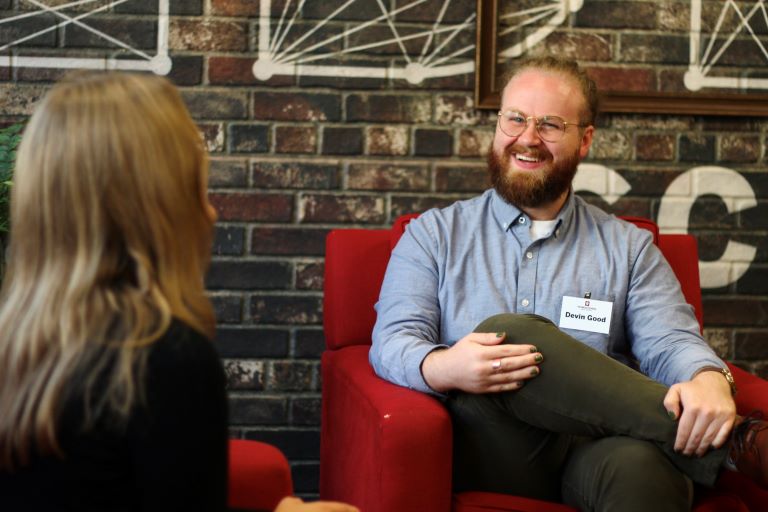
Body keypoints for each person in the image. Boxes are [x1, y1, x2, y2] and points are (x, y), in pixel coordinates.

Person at [370, 56, 767, 511]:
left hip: (595, 447)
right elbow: (392, 341)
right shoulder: (433, 235)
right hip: (493, 445)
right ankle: (738, 444)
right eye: (515, 119)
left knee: (644, 467)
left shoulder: (628, 247)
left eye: (551, 125)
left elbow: (671, 341)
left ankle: (724, 443)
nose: (527, 138)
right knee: (514, 333)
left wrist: (709, 379)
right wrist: (443, 367)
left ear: (585, 140)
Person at [0, 72, 357, 512]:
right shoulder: (162, 357)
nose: (210, 212)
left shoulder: (14, 342)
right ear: (159, 211)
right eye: (197, 189)